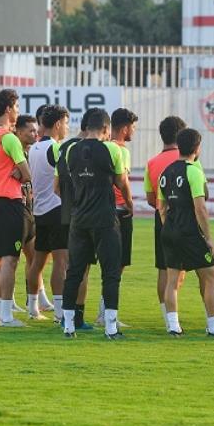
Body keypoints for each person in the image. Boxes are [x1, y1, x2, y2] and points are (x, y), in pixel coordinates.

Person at [61, 108, 130, 340]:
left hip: (78, 219)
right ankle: (111, 327)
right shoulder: (112, 149)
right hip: (104, 219)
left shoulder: (70, 149)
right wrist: (129, 203)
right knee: (110, 273)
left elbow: (66, 183)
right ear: (106, 129)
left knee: (74, 273)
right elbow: (122, 182)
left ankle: (68, 325)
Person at [158, 128, 214, 337]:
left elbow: (161, 208)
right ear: (197, 148)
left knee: (172, 280)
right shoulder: (193, 171)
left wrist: (169, 227)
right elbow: (200, 208)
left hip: (170, 230)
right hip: (189, 232)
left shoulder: (166, 173)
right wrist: (208, 238)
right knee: (212, 277)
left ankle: (173, 326)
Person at [0, 89, 32, 327]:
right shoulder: (8, 137)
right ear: (9, 108)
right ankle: (7, 315)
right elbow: (27, 174)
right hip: (10, 202)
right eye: (17, 107)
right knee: (10, 260)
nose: (18, 111)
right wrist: (19, 175)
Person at [144, 116, 189, 331]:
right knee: (187, 270)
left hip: (161, 218)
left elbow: (151, 198)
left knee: (163, 268)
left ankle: (167, 315)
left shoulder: (152, 163)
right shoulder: (188, 160)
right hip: (184, 218)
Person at [27, 105, 71, 322]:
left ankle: (33, 306)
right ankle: (60, 312)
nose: (67, 128)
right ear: (57, 124)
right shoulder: (55, 148)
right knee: (61, 262)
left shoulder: (33, 148)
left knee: (38, 261)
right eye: (66, 123)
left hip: (40, 210)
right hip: (56, 209)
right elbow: (62, 180)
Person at [94, 108, 137, 327]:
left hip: (98, 210)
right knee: (116, 265)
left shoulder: (101, 147)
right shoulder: (121, 150)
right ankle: (106, 312)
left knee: (103, 263)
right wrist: (130, 204)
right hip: (119, 211)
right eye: (133, 128)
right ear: (125, 128)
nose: (134, 132)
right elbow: (123, 182)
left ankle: (101, 311)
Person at [53, 113, 93, 329]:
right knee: (82, 268)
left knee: (70, 266)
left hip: (66, 214)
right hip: (86, 215)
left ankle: (65, 316)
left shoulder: (63, 147)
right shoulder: (87, 150)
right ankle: (77, 317)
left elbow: (56, 186)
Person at [12, 115, 39, 315]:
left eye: (36, 131)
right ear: (19, 132)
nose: (35, 134)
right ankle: (6, 301)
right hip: (16, 210)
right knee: (9, 259)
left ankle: (33, 305)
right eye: (30, 131)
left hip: (30, 210)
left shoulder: (30, 153)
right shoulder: (13, 153)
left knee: (34, 257)